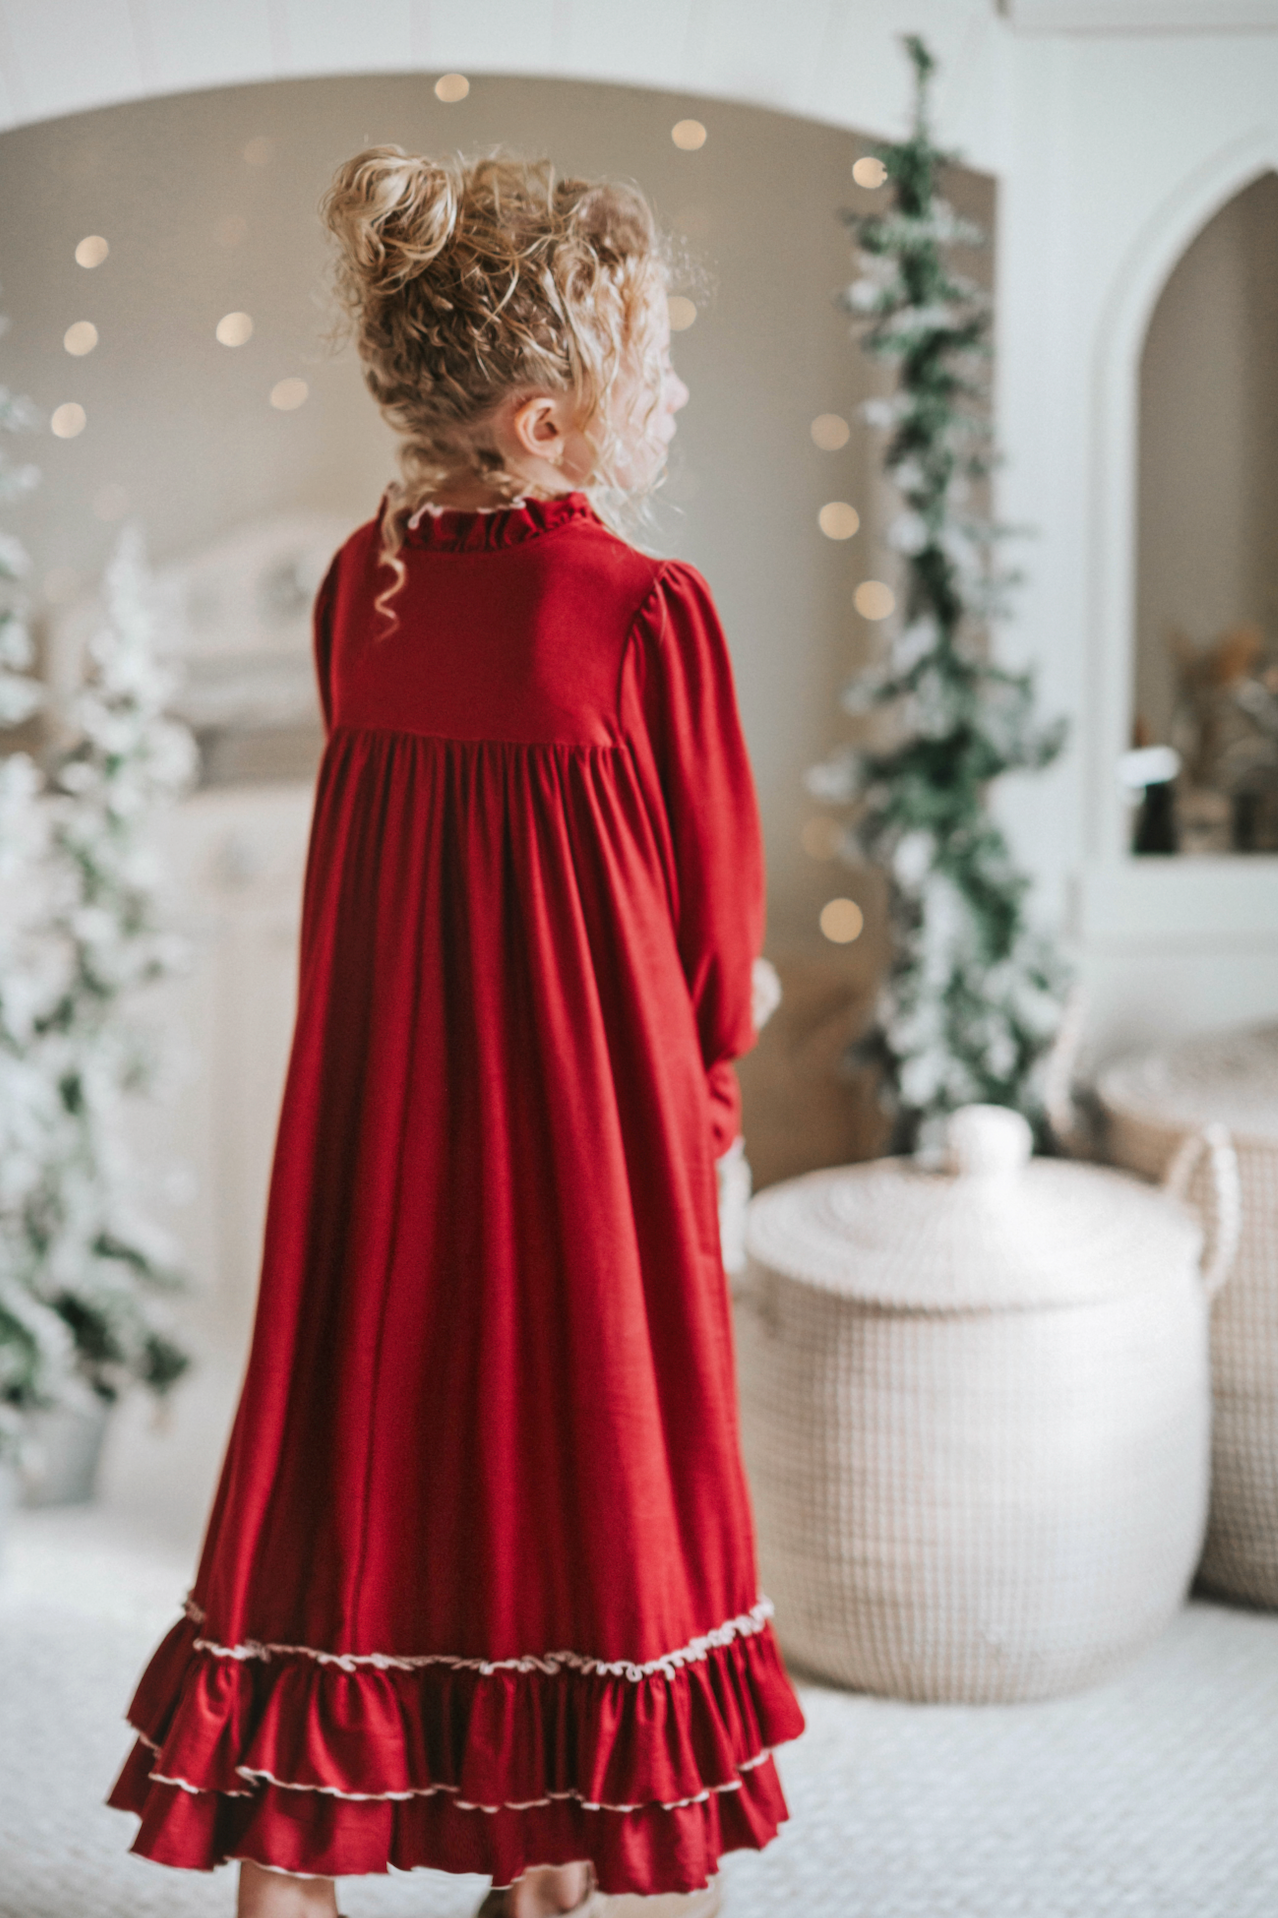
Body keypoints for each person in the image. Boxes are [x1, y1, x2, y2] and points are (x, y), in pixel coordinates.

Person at [108, 146, 805, 1918]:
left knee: (369, 1440)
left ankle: (303, 1857)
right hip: (595, 1126)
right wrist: (717, 1075)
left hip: (383, 1114)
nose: (667, 394)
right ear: (548, 419)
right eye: (647, 364)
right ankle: (568, 1840)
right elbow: (714, 918)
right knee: (588, 1446)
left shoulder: (363, 582)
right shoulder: (646, 610)